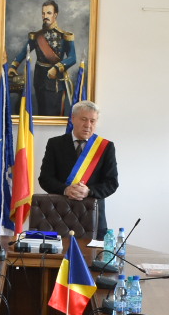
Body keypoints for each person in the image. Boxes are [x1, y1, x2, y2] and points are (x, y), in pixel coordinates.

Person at [38, 100, 118, 234]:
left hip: (93, 216)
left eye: (92, 121)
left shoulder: (105, 147)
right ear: (73, 118)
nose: (88, 125)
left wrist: (89, 191)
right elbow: (45, 179)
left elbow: (111, 183)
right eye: (84, 119)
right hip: (60, 214)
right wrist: (65, 190)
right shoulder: (55, 144)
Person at [9, 0, 79, 117]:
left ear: (55, 15)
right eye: (43, 13)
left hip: (55, 81)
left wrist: (56, 68)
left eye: (49, 13)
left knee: (53, 114)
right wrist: (13, 66)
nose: (45, 16)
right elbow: (24, 52)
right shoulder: (37, 36)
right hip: (39, 80)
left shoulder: (64, 36)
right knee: (41, 112)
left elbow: (73, 57)